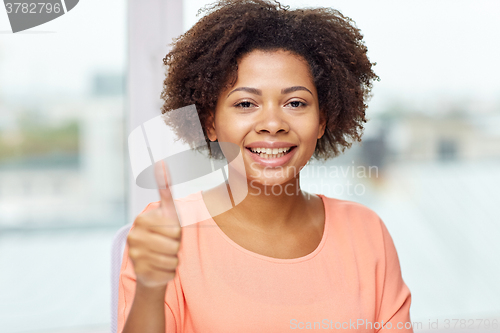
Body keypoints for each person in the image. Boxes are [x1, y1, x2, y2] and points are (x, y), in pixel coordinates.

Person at [118, 0, 413, 332]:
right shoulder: (168, 232)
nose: (272, 123)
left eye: (295, 103)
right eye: (246, 103)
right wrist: (150, 288)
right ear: (210, 122)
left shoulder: (366, 232)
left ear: (322, 121)